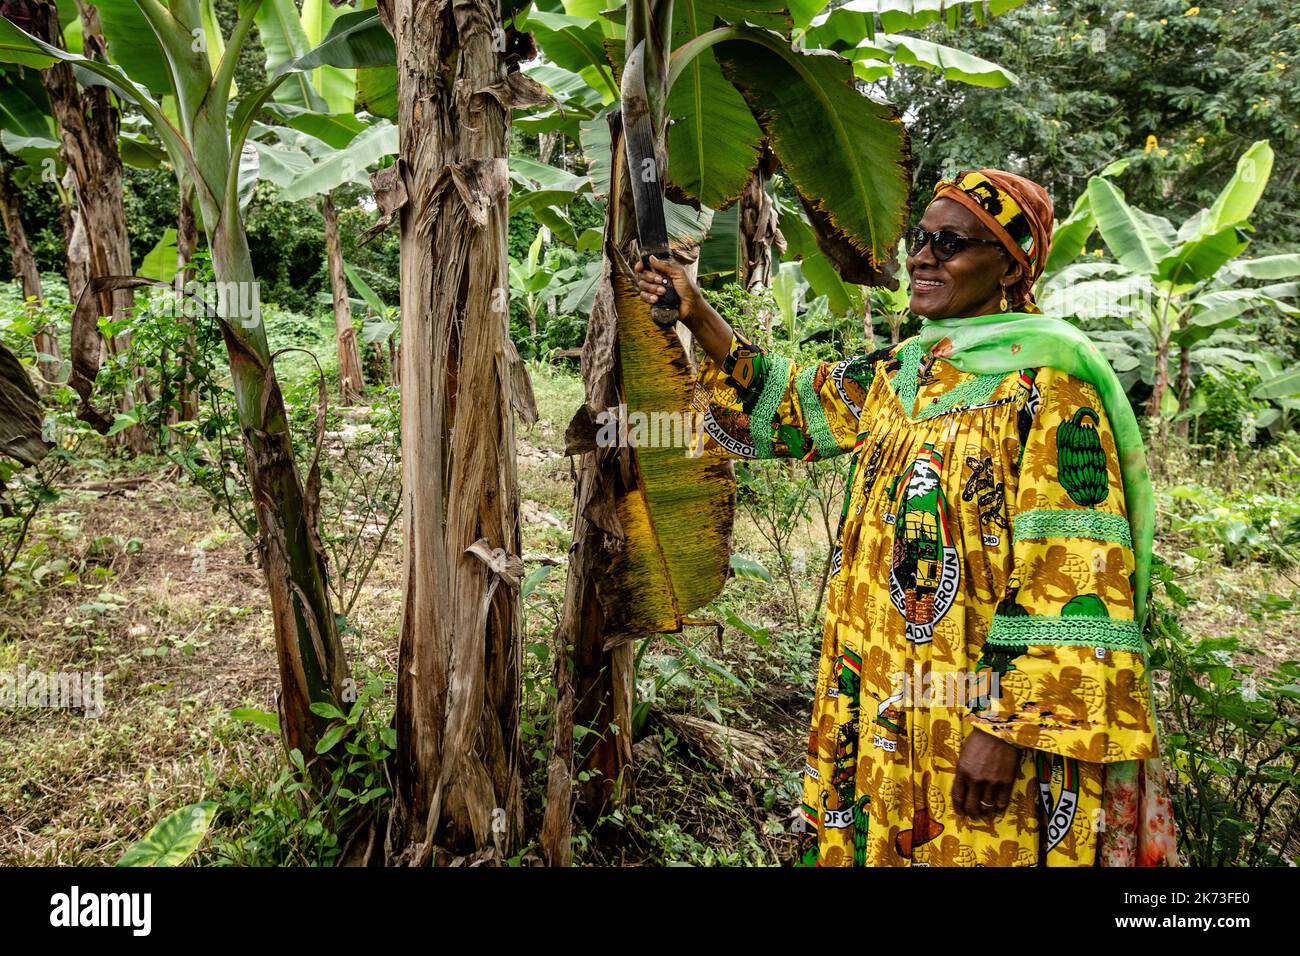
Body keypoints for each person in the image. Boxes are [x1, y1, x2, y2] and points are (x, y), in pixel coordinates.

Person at [633, 169, 1179, 867]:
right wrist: (695, 310)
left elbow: (1071, 570)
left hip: (975, 707)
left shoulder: (1052, 382)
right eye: (920, 239)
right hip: (882, 686)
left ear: (1010, 262)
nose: (922, 257)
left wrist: (1008, 728)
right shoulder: (904, 371)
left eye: (950, 242)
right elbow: (790, 407)